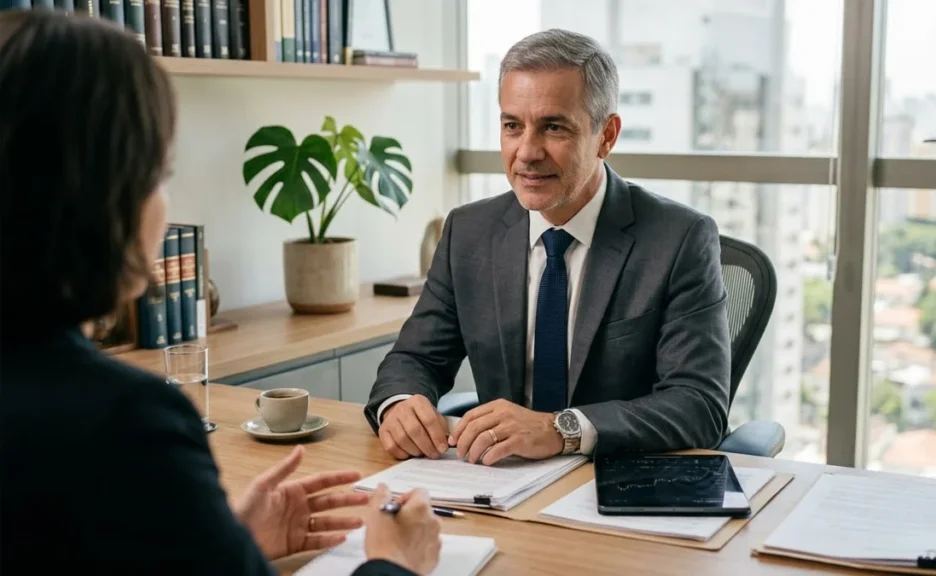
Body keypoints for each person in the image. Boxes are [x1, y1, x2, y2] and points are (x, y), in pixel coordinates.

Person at [0, 12, 440, 576]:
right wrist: (394, 562)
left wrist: (224, 543)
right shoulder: (128, 422)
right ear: (101, 196)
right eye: (160, 175)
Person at [365, 29, 731, 465]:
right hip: (499, 485)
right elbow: (414, 359)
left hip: (615, 485)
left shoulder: (679, 240)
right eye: (512, 126)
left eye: (553, 127)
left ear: (606, 136)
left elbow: (698, 404)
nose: (527, 152)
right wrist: (401, 404)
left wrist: (561, 429)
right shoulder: (469, 231)